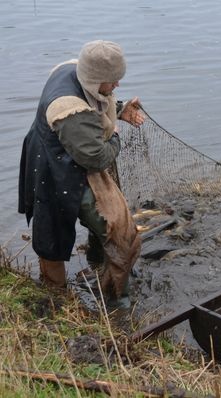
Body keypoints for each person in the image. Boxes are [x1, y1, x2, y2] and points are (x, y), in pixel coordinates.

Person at [18, 40, 144, 301]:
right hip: (52, 167)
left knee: (119, 230)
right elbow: (97, 158)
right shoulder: (67, 108)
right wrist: (116, 136)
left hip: (76, 153)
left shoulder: (79, 70)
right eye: (113, 80)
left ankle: (106, 275)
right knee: (51, 236)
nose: (117, 85)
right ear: (95, 78)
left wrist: (119, 110)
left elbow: (98, 99)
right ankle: (58, 297)